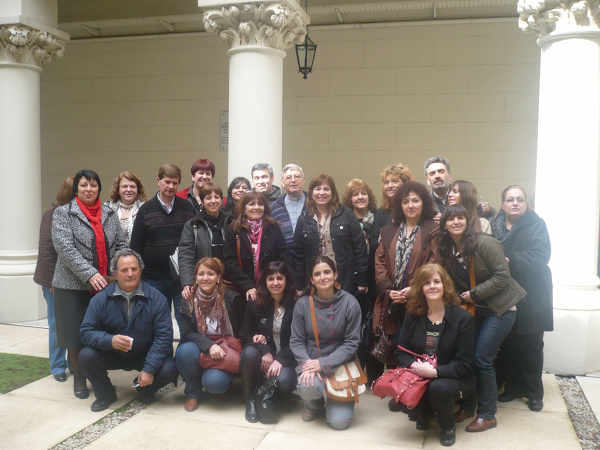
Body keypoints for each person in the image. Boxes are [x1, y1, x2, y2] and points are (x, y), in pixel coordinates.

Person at [436, 205, 525, 432]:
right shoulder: (447, 248)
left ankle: (487, 415)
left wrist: (474, 294)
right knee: (466, 357)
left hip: (501, 308)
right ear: (444, 224)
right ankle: (468, 406)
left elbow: (503, 276)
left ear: (468, 221)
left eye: (460, 218)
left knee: (482, 358)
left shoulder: (485, 243)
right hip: (474, 310)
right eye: (451, 219)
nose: (456, 222)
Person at [52, 169, 127, 399]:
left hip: (104, 285)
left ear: (99, 189)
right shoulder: (63, 213)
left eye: (93, 185)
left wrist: (116, 269)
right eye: (83, 185)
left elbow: (121, 243)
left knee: (97, 333)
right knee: (74, 337)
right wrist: (90, 274)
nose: (88, 189)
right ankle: (79, 378)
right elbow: (65, 248)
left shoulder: (109, 213)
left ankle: (96, 374)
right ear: (76, 188)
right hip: (71, 287)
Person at [79, 249, 178, 412]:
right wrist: (109, 340)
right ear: (115, 273)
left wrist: (149, 369)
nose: (130, 274)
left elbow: (164, 337)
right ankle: (105, 394)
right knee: (86, 356)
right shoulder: (100, 299)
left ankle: (145, 389)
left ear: (141, 270)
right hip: (113, 353)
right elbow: (86, 331)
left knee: (170, 368)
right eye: (124, 270)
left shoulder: (157, 298)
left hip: (144, 353)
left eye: (134, 269)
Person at [394, 263, 475, 447]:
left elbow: (465, 364)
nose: (432, 286)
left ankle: (447, 426)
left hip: (451, 375)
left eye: (436, 282)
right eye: (426, 283)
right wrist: (414, 366)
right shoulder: (413, 315)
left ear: (445, 285)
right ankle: (424, 412)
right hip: (419, 371)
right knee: (401, 397)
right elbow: (401, 351)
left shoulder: (463, 319)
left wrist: (436, 372)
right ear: (420, 288)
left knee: (438, 388)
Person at [491, 185, 553, 412]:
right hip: (505, 293)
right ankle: (513, 387)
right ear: (503, 204)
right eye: (510, 199)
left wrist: (510, 260)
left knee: (531, 345)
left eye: (519, 199)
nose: (515, 203)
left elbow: (541, 256)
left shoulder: (537, 225)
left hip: (533, 293)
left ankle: (534, 393)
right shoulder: (494, 225)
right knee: (509, 343)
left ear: (526, 203)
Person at [290, 256, 362, 430]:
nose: (323, 277)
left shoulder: (350, 303)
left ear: (335, 275)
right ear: (312, 279)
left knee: (339, 423)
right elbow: (296, 340)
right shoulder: (302, 304)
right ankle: (314, 404)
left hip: (340, 365)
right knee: (307, 385)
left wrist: (323, 363)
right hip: (312, 362)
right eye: (317, 274)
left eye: (327, 272)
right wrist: (307, 364)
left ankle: (335, 399)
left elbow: (352, 343)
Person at [374, 181, 437, 369]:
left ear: (424, 203)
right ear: (399, 205)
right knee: (393, 348)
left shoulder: (433, 230)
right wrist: (389, 290)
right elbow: (379, 261)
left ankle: (415, 385)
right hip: (392, 300)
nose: (410, 205)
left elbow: (434, 262)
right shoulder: (388, 231)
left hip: (421, 299)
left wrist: (415, 288)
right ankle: (397, 384)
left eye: (415, 201)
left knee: (417, 349)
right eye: (406, 201)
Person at [130, 164, 195, 327]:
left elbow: (194, 242)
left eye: (175, 183)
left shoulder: (187, 208)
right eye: (167, 182)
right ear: (158, 181)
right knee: (158, 325)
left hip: (182, 281)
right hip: (153, 280)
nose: (171, 186)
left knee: (186, 323)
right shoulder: (145, 210)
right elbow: (135, 248)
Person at [175, 257, 244, 412]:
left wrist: (225, 346)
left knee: (215, 384)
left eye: (210, 274)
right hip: (200, 345)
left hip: (226, 345)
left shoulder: (231, 298)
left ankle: (217, 375)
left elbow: (241, 331)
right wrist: (210, 346)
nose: (205, 278)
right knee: (185, 351)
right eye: (201, 274)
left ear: (218, 277)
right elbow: (187, 333)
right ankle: (192, 392)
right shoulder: (187, 299)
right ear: (195, 277)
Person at [240, 261, 297, 423]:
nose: (275, 283)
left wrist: (280, 359)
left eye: (280, 278)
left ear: (286, 280)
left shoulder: (296, 303)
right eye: (271, 278)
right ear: (265, 281)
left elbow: (299, 339)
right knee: (249, 353)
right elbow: (244, 334)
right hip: (264, 355)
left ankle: (270, 397)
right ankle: (251, 399)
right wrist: (264, 349)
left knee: (285, 380)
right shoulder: (255, 302)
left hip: (286, 357)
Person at [292, 174, 368, 296]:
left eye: (326, 189)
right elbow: (298, 254)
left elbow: (360, 248)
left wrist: (362, 280)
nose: (322, 193)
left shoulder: (346, 214)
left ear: (333, 192)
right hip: (315, 281)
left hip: (345, 280)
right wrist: (299, 284)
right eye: (317, 189)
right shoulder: (304, 218)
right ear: (311, 192)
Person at [34, 177, 74, 382]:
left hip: (74, 280)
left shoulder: (79, 215)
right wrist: (51, 282)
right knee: (57, 324)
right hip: (53, 281)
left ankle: (73, 362)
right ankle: (58, 366)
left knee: (74, 323)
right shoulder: (51, 215)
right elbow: (47, 251)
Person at [341, 178, 380, 382]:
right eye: (355, 194)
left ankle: (372, 374)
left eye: (363, 193)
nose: (360, 197)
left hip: (375, 280)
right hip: (353, 281)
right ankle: (353, 371)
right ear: (349, 199)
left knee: (372, 327)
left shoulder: (379, 219)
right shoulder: (344, 219)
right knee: (352, 327)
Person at [223, 191, 287, 301]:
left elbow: (282, 257)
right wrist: (248, 286)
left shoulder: (273, 228)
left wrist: (270, 281)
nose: (256, 207)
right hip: (242, 289)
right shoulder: (234, 229)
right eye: (252, 204)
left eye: (260, 204)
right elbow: (230, 261)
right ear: (244, 208)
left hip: (269, 287)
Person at [178, 183, 228, 302]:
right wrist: (187, 282)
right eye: (208, 198)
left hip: (227, 283)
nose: (213, 201)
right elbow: (186, 255)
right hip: (203, 282)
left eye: (216, 197)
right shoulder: (193, 225)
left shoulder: (230, 222)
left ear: (221, 200)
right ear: (202, 201)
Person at [270, 163, 307, 247]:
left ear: (303, 181)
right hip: (283, 253)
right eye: (288, 177)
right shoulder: (274, 208)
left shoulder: (313, 203)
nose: (293, 180)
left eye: (297, 177)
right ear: (282, 182)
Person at [104, 170, 146, 243]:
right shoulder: (107, 209)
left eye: (132, 186)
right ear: (118, 189)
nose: (128, 190)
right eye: (124, 186)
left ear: (138, 189)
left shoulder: (145, 209)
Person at [374, 163, 414, 229]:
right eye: (386, 182)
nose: (390, 186)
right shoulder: (381, 213)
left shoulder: (415, 208)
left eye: (395, 181)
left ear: (405, 184)